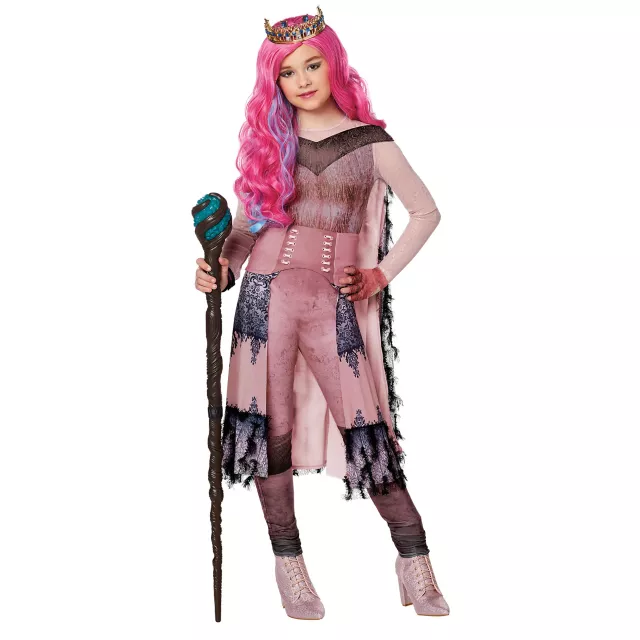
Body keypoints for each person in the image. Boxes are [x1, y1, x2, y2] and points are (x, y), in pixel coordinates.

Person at [194, 7, 449, 620]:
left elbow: (427, 212)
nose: (303, 80)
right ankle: (290, 566)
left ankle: (414, 559)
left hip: (332, 304)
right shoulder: (268, 148)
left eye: (312, 65)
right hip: (262, 303)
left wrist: (381, 273)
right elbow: (244, 235)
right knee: (268, 431)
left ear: (333, 65)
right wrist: (218, 270)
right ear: (274, 82)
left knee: (367, 427)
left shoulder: (371, 144)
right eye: (288, 72)